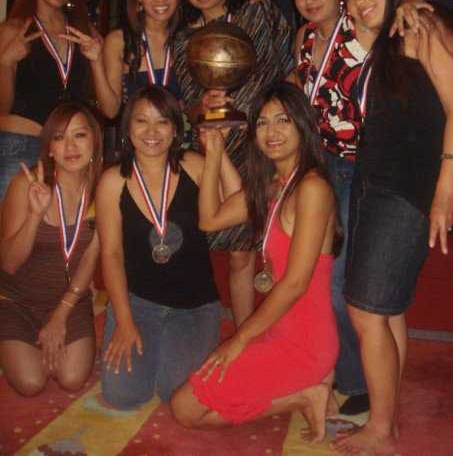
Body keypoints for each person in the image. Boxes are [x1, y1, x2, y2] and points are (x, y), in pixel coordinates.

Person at [331, 0, 453, 455]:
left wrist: (445, 190)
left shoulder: (421, 25)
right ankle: (388, 416)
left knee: (366, 312)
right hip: (374, 183)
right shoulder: (394, 33)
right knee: (388, 309)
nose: (357, 2)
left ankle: (381, 431)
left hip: (404, 189)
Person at [171, 82, 339, 445]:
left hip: (305, 343)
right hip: (275, 330)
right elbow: (210, 220)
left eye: (283, 120)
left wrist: (239, 339)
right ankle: (305, 393)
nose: (271, 132)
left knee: (184, 409)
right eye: (262, 123)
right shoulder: (273, 184)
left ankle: (306, 394)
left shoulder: (312, 188)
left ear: (302, 125)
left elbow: (295, 284)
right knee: (191, 401)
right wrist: (214, 153)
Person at [96, 85, 241, 408]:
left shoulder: (192, 164)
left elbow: (236, 201)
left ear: (176, 129)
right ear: (127, 128)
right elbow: (111, 255)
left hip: (194, 306)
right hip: (138, 302)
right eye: (141, 121)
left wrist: (217, 152)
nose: (152, 132)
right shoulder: (112, 181)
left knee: (174, 392)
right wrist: (124, 320)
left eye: (162, 121)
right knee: (123, 396)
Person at [173, 0, 294, 326]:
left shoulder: (256, 15)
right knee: (235, 251)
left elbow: (288, 68)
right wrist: (202, 104)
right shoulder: (184, 40)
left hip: (267, 146)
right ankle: (242, 334)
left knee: (272, 245)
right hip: (220, 149)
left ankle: (276, 329)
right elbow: (189, 108)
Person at [287, 0, 369, 415]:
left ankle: (360, 380)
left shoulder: (361, 29)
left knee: (339, 282)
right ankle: (327, 365)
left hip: (359, 169)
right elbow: (303, 91)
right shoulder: (303, 37)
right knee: (316, 275)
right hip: (317, 168)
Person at [0, 102, 103, 396]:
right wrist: (35, 215)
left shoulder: (103, 189)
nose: (70, 146)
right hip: (16, 301)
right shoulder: (26, 184)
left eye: (79, 135)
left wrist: (60, 316)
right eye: (59, 137)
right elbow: (8, 264)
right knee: (31, 383)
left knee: (71, 379)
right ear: (49, 148)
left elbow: (90, 259)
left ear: (94, 141)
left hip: (69, 300)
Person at [0, 0, 104, 200]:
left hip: (69, 151)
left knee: (63, 225)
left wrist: (99, 58)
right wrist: (6, 63)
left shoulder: (83, 32)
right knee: (14, 225)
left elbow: (106, 103)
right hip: (23, 146)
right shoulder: (12, 30)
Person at [96, 0, 182, 121]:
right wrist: (95, 61)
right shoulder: (118, 41)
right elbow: (110, 111)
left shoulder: (186, 38)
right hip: (138, 135)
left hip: (179, 133)